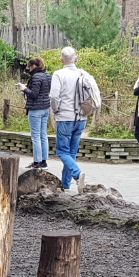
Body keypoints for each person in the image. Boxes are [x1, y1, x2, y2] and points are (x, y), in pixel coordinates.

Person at [48, 46, 101, 191]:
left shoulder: (58, 74)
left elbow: (53, 96)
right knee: (70, 153)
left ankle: (77, 174)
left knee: (62, 152)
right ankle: (65, 184)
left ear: (61, 60)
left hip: (65, 118)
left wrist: (56, 110)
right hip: (81, 118)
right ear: (76, 59)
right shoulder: (83, 74)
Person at [18, 56, 51, 170]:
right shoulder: (47, 75)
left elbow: (34, 94)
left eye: (29, 67)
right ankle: (44, 162)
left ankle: (36, 162)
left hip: (36, 109)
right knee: (43, 136)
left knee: (35, 137)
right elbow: (43, 90)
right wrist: (29, 87)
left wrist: (24, 89)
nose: (29, 70)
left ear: (33, 66)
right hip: (45, 108)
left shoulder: (36, 76)